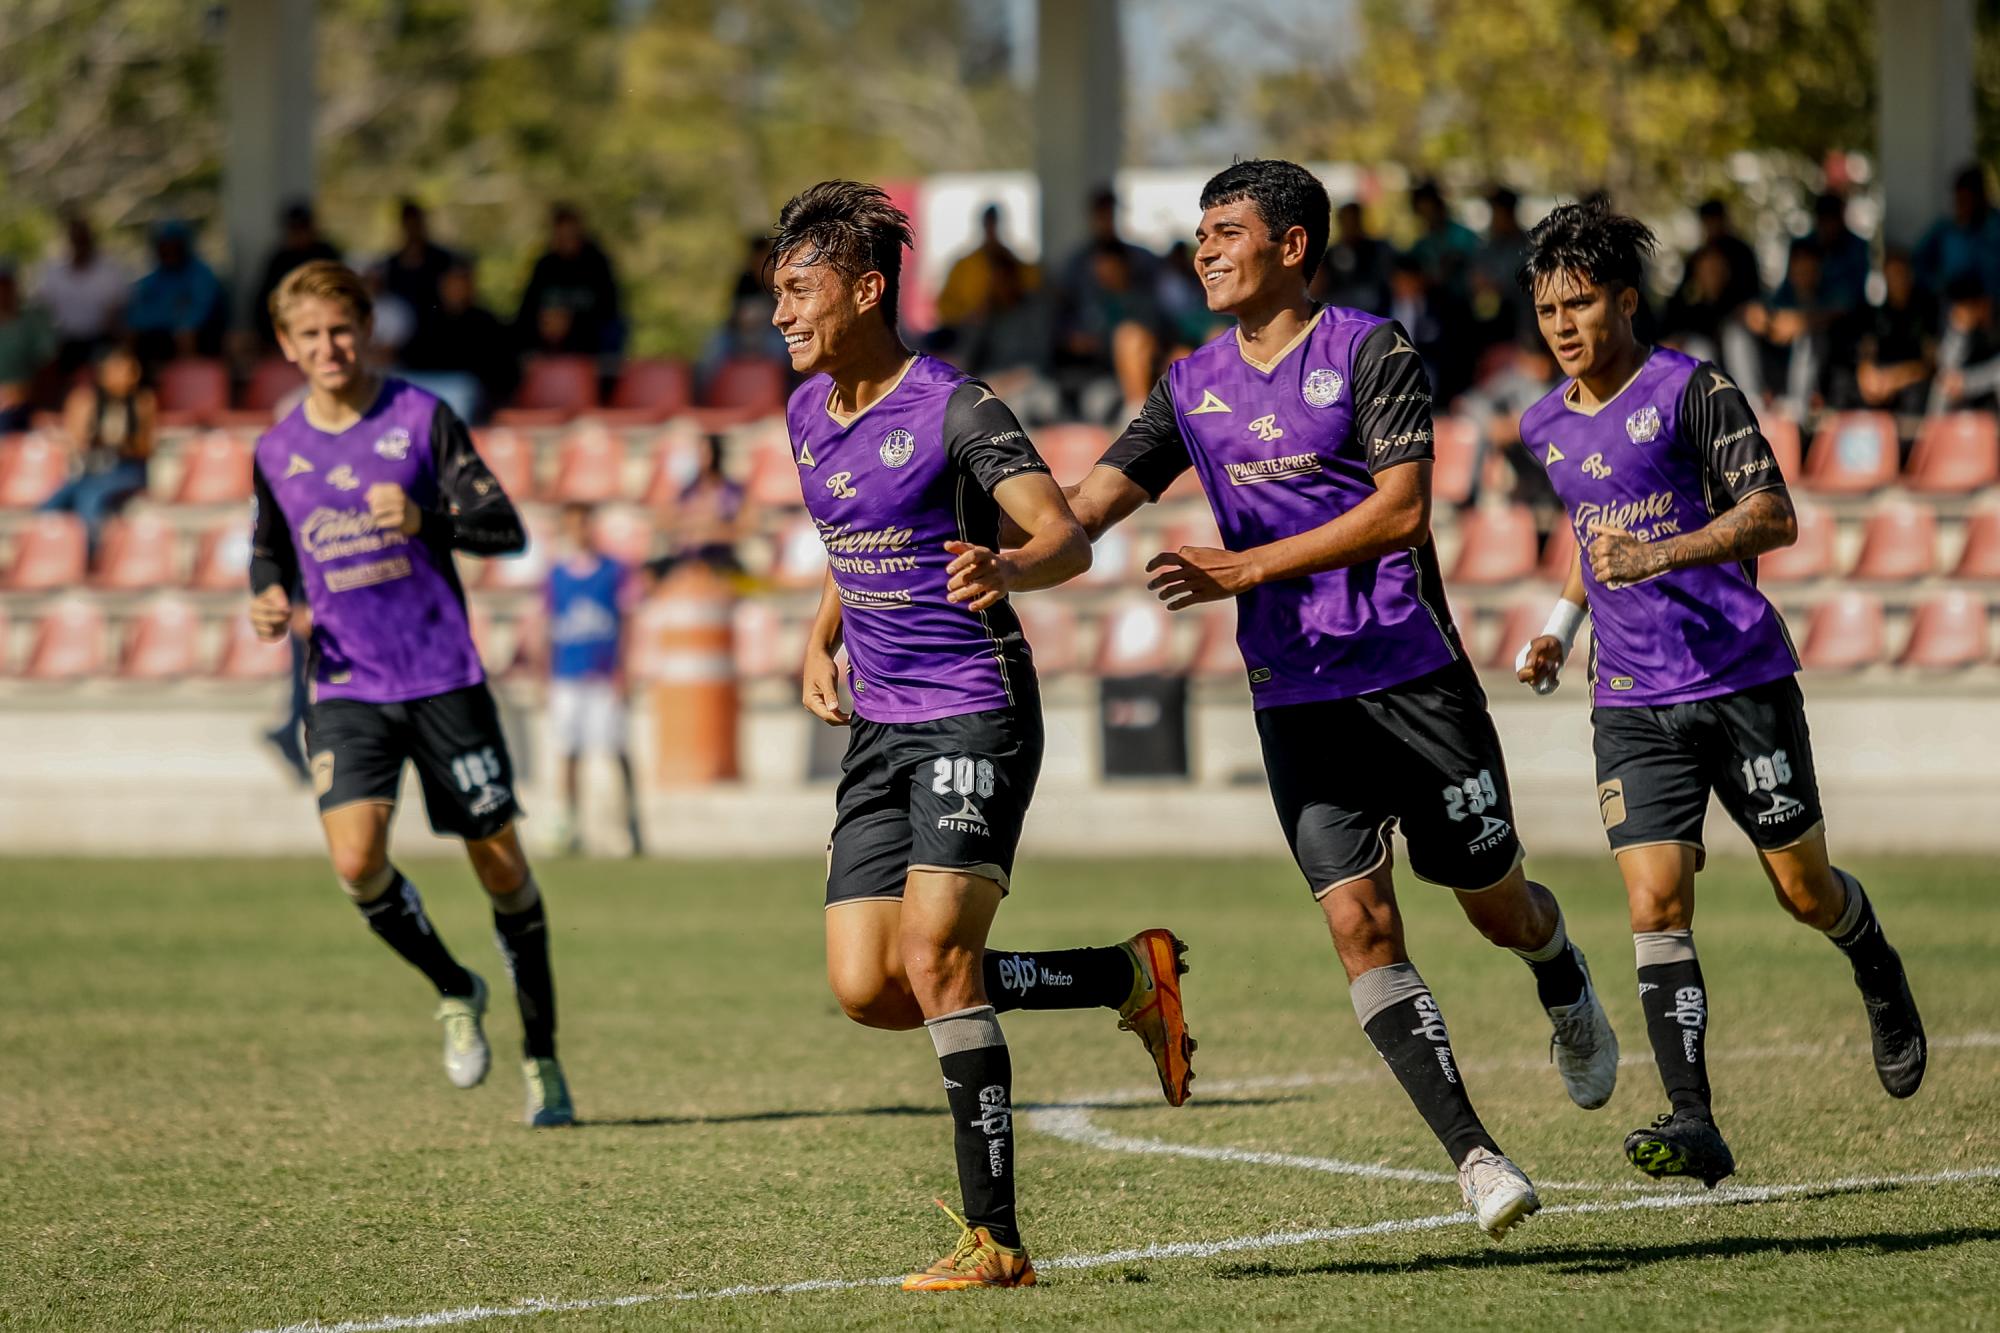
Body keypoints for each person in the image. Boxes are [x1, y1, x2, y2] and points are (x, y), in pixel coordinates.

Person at [1045, 160, 1618, 1242]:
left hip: (1413, 683)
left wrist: (1244, 570)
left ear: (1292, 245)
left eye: (1227, 230)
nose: (1204, 250)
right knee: (1359, 924)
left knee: (1497, 907)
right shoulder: (1187, 385)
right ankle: (1476, 1158)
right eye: (1201, 234)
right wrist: (995, 556)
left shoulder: (1369, 351)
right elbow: (1083, 511)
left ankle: (1559, 966)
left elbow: (1401, 512)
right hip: (1295, 699)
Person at [771, 180, 1195, 1291]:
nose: (779, 311)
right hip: (880, 725)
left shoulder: (956, 408)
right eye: (774, 290)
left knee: (939, 959)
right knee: (869, 986)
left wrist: (1004, 565)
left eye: (799, 289)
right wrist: (819, 641)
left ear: (866, 290)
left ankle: (995, 1239)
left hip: (973, 705)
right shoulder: (806, 410)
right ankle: (1121, 975)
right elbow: (849, 534)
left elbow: (1064, 538)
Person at [1512, 199, 1926, 1190]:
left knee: (1801, 890)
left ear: (1621, 299)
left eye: (1578, 305)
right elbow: (1590, 537)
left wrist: (1660, 552)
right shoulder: (1540, 424)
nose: (1562, 326)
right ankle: (1693, 1119)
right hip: (1629, 701)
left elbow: (1771, 514)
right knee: (1653, 904)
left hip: (1739, 679)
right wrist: (1557, 629)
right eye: (1545, 310)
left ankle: (1871, 958)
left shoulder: (1690, 389)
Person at [247, 260, 574, 1128]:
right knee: (355, 863)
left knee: (502, 869)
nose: (329, 346)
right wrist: (270, 593)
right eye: (310, 334)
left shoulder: (420, 418)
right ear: (287, 345)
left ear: (369, 329)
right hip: (349, 684)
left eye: (342, 328)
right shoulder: (276, 449)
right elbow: (269, 546)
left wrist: (429, 519)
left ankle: (542, 1056)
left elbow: (503, 526)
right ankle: (454, 984)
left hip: (444, 678)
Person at [546, 502, 643, 857]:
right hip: (567, 675)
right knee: (568, 752)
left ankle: (627, 825)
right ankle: (569, 826)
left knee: (614, 749)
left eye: (583, 523)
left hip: (604, 675)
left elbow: (627, 621)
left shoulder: (613, 571)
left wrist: (625, 669)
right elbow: (547, 627)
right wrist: (545, 676)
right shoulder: (556, 575)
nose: (579, 531)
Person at [41, 342, 155, 555]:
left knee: (89, 495)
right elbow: (75, 441)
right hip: (92, 469)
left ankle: (90, 554)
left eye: (129, 370)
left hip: (126, 469)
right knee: (51, 504)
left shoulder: (142, 402)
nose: (125, 376)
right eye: (117, 369)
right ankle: (50, 553)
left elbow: (145, 448)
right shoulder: (85, 399)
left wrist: (119, 443)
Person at [398, 261, 519, 422]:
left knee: (460, 391)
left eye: (460, 284)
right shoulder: (430, 319)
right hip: (430, 383)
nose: (455, 290)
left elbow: (501, 368)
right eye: (451, 284)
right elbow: (412, 356)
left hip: (466, 389)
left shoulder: (484, 321)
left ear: (471, 287)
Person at [515, 203, 622, 358]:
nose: (567, 241)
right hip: (546, 339)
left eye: (571, 235)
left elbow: (609, 309)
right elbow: (527, 309)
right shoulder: (545, 266)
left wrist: (571, 322)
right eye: (562, 235)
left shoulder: (597, 264)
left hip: (588, 338)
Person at [32, 215, 129, 373]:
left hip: (100, 340)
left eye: (83, 239)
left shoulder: (109, 272)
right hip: (64, 342)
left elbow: (116, 314)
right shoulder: (53, 274)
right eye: (76, 239)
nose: (80, 244)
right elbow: (43, 312)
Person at [125, 222, 225, 366]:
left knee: (185, 335)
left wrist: (183, 324)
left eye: (173, 246)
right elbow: (138, 314)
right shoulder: (155, 278)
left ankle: (188, 380)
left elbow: (199, 312)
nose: (168, 251)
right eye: (163, 246)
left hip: (200, 342)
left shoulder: (201, 274)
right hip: (159, 338)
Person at [1850, 250, 1937, 415]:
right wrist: (1867, 376)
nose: (1896, 280)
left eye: (1900, 274)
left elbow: (1930, 364)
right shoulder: (1877, 313)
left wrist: (1894, 379)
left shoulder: (1926, 312)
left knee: (1916, 397)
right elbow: (1866, 353)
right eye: (1890, 275)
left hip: (1909, 384)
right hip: (1880, 384)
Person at [934, 203, 1039, 335]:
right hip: (969, 332)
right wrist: (967, 317)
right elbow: (945, 307)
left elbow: (1036, 288)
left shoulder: (1016, 265)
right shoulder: (965, 266)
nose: (992, 229)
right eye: (989, 224)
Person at [255, 201, 343, 347]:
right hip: (288, 328)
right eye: (294, 229)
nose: (299, 234)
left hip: (326, 321)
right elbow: (264, 302)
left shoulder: (326, 253)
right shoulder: (279, 259)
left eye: (303, 228)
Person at [1915, 165, 2000, 303]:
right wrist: (1940, 285)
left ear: (1981, 198)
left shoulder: (1994, 229)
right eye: (1959, 200)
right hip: (1952, 305)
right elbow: (1917, 262)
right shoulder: (1945, 229)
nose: (1961, 207)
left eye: (1967, 200)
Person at [382, 201, 458, 340]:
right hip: (403, 336)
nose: (413, 228)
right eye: (408, 223)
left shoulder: (442, 259)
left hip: (438, 330)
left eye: (416, 223)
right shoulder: (392, 264)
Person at [0, 263, 55, 433]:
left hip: (23, 405)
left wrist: (22, 392)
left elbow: (48, 367)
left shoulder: (32, 321)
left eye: (6, 286)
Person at [1311, 201, 1392, 315]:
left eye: (1353, 220)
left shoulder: (1380, 250)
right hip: (1341, 313)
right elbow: (1318, 287)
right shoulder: (1330, 255)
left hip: (1377, 310)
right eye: (1346, 221)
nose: (1350, 226)